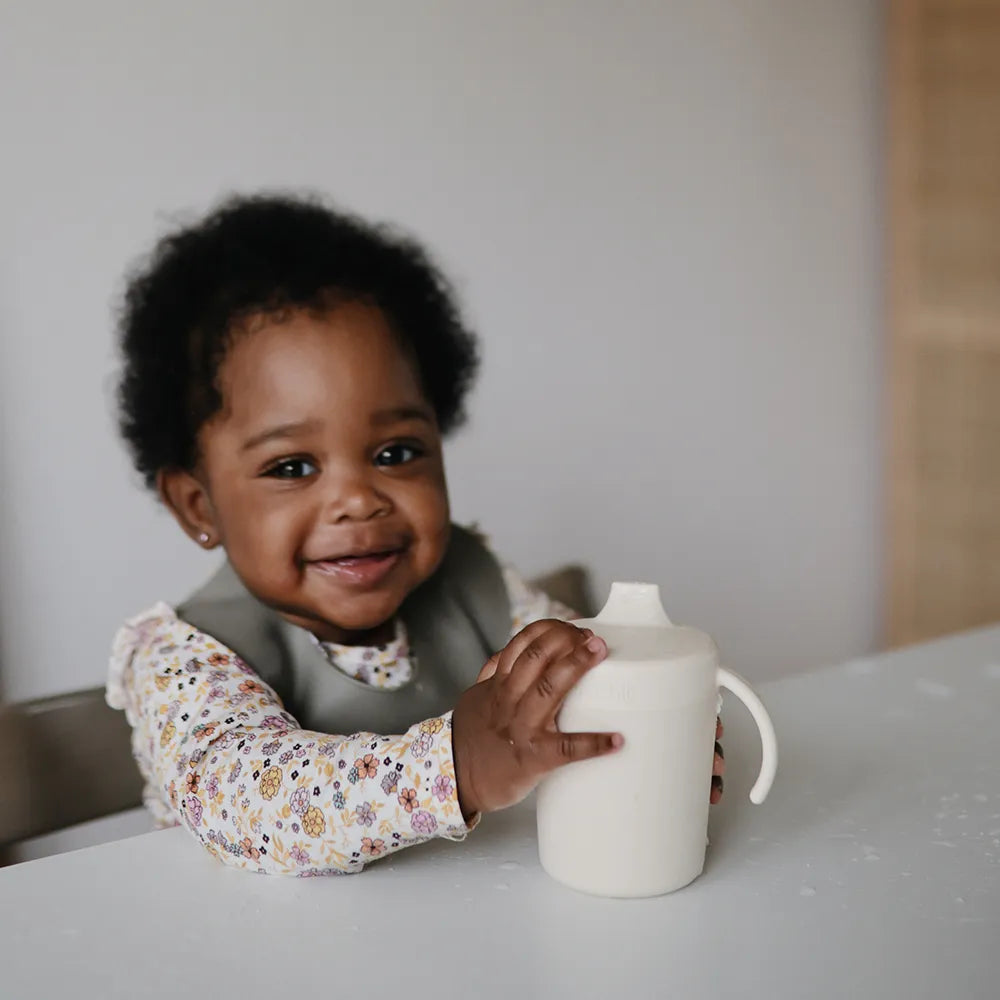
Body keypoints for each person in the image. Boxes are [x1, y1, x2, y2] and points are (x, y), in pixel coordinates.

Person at [108, 193, 725, 875]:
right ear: (198, 505)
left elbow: (569, 686)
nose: (357, 499)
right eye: (292, 467)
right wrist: (457, 765)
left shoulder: (474, 580)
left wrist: (646, 731)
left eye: (395, 452)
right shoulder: (187, 659)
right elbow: (256, 804)